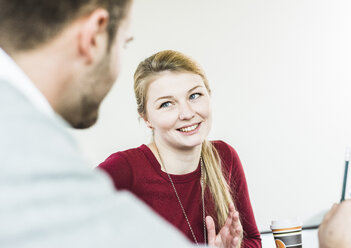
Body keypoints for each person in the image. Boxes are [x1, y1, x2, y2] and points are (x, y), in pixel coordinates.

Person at [0, 1, 239, 247]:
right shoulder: (26, 150)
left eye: (195, 96)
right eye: (124, 43)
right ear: (93, 36)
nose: (187, 113)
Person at [98, 50, 262, 247]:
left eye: (194, 95)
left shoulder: (225, 157)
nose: (186, 113)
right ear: (147, 119)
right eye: (167, 104)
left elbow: (253, 240)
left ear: (209, 96)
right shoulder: (124, 170)